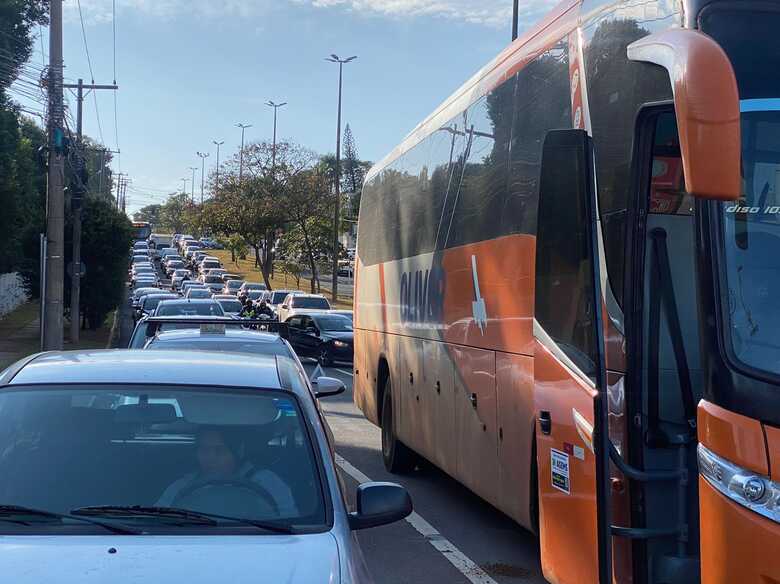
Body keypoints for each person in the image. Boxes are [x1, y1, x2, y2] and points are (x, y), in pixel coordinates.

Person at [157, 426, 297, 517]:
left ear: (238, 452)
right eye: (204, 450)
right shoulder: (183, 485)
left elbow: (289, 520)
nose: (210, 458)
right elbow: (160, 516)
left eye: (220, 451)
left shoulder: (267, 482)